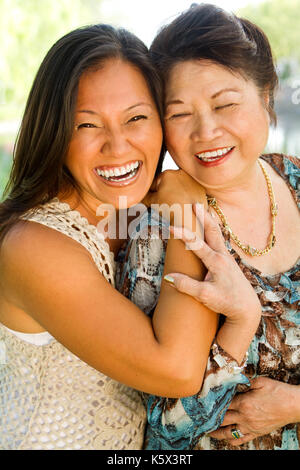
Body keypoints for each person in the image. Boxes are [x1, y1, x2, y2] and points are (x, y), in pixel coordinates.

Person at [0, 23, 261, 450]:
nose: (117, 146)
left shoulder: (137, 210)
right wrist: (185, 208)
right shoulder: (34, 246)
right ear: (55, 132)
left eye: (136, 118)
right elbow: (177, 369)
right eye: (87, 126)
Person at [116, 4, 300, 450]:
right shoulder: (158, 231)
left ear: (266, 97)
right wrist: (240, 323)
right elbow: (163, 434)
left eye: (225, 104)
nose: (206, 131)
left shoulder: (296, 181)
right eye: (179, 114)